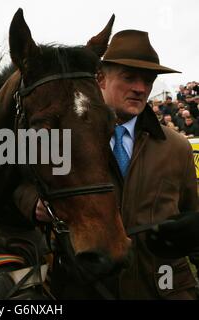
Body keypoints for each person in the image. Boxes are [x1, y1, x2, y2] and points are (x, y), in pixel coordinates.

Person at [37, 30, 199, 299]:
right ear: (100, 77)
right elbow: (16, 186)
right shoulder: (62, 140)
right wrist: (34, 205)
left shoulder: (177, 147)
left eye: (148, 80)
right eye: (129, 77)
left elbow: (192, 214)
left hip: (161, 289)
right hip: (87, 288)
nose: (141, 88)